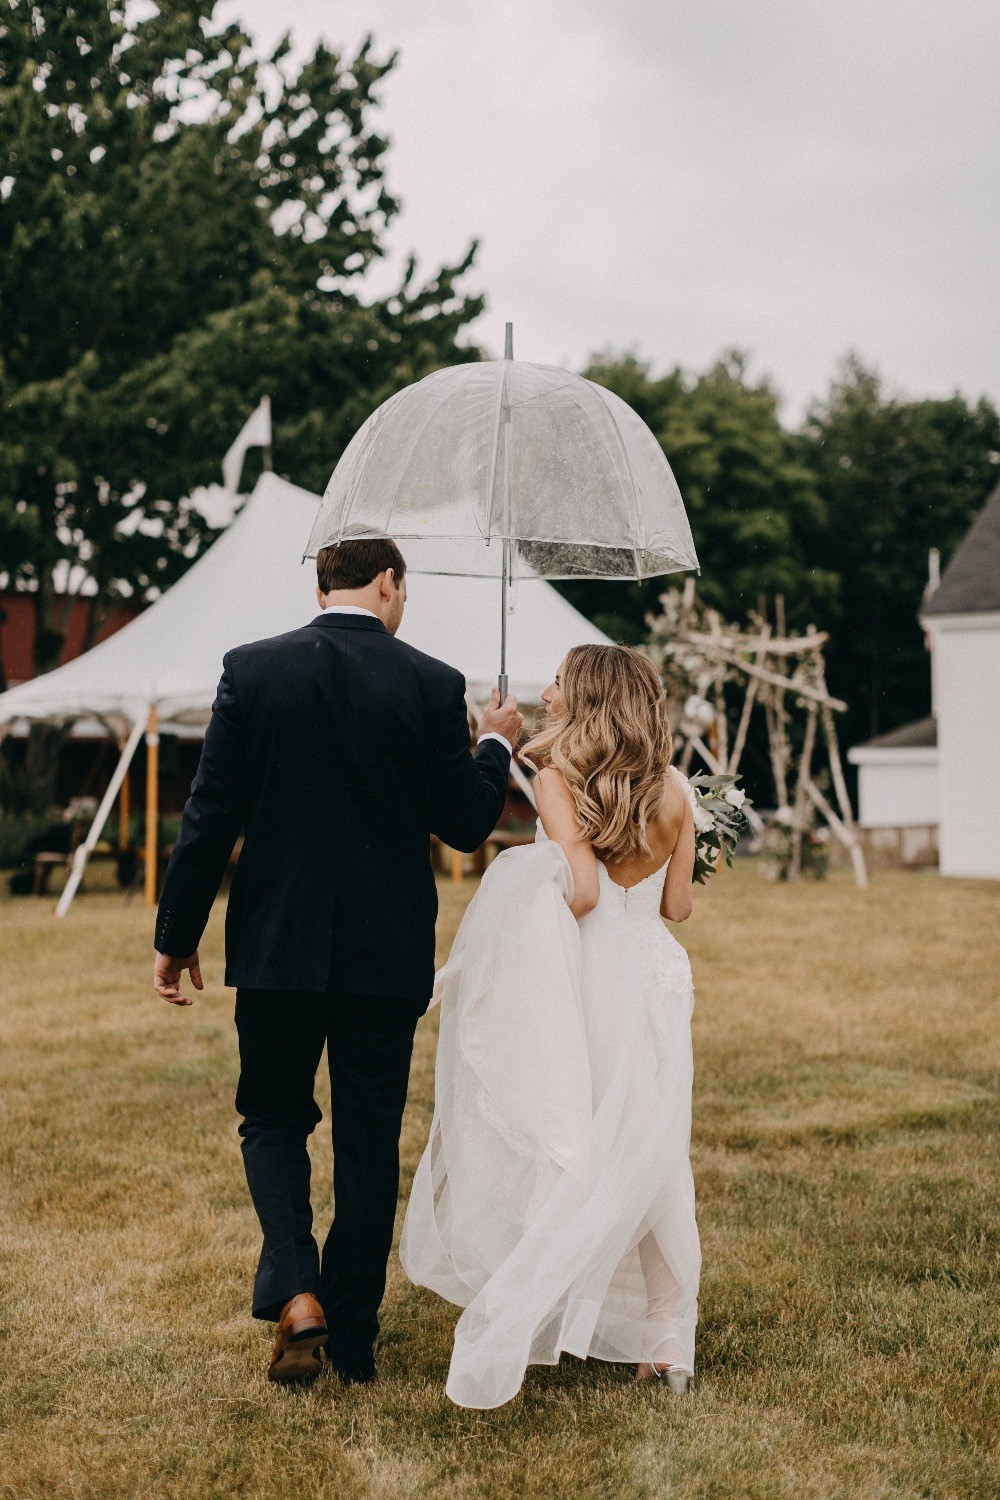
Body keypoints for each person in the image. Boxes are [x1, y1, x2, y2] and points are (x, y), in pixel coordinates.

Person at [152, 537, 522, 1386]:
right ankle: (352, 1342)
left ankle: (296, 1292)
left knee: (272, 1118)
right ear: (388, 582)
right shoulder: (431, 682)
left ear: (323, 589)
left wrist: (177, 934)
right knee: (367, 1141)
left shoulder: (252, 671)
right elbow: (467, 823)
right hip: (384, 955)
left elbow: (209, 816)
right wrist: (495, 745)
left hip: (276, 948)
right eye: (405, 590)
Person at [400, 643, 700, 1408]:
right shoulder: (675, 789)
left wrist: (522, 895)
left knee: (574, 1138)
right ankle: (668, 1335)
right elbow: (677, 907)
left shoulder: (558, 780)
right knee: (652, 1151)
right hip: (660, 979)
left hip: (589, 975)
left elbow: (584, 891)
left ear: (590, 696)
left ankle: (543, 1298)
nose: (548, 688)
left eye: (561, 679)